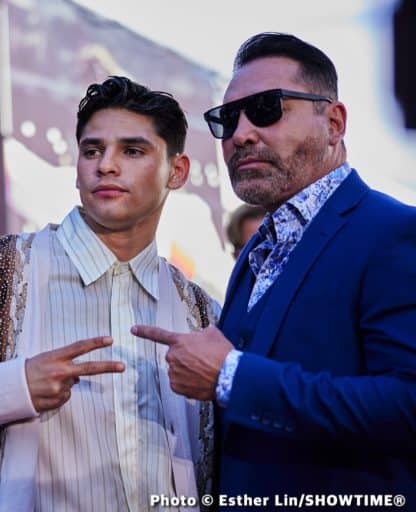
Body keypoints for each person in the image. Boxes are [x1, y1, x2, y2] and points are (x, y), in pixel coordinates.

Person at [0, 76, 219, 511]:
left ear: (177, 172)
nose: (106, 165)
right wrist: (16, 386)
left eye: (132, 150)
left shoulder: (200, 311)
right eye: (92, 150)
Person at [133, 32, 416, 507]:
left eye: (266, 109)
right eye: (228, 119)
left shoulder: (393, 233)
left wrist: (231, 378)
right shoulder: (255, 252)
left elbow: (408, 407)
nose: (241, 133)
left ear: (334, 122)